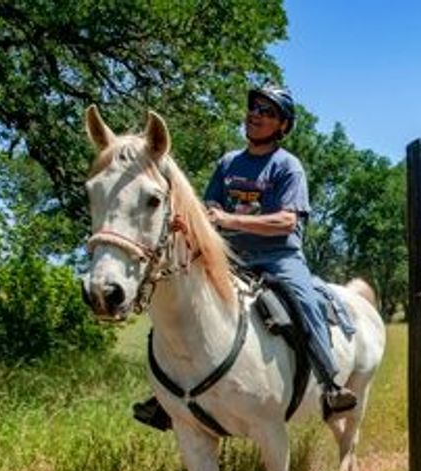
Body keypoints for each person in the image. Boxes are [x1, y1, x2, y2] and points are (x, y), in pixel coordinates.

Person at [134, 83, 356, 430]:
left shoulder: (287, 166)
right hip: (230, 255)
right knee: (176, 302)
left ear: (282, 125)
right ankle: (166, 396)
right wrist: (192, 220)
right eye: (254, 107)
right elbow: (209, 207)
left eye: (267, 111)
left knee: (306, 302)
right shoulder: (228, 164)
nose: (255, 114)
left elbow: (287, 221)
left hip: (278, 257)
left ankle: (330, 383)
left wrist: (228, 219)